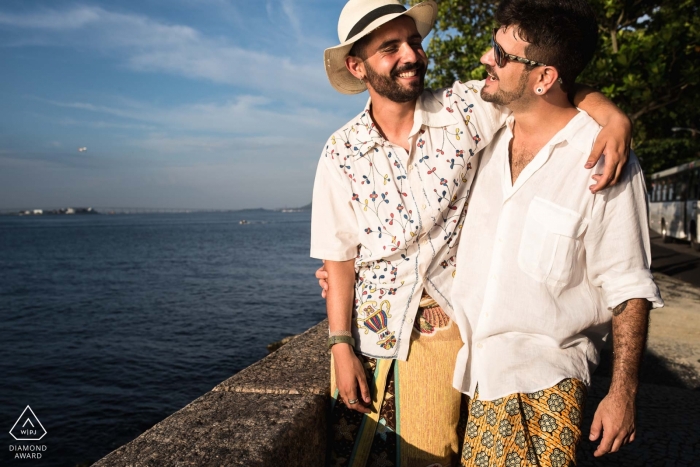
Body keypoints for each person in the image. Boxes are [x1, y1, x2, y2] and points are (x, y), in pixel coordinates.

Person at [312, 1, 631, 465]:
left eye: (415, 42)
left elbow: (549, 82)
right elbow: (337, 258)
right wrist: (339, 345)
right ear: (357, 66)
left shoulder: (465, 109)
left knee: (433, 453)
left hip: (447, 330)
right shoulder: (340, 152)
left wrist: (613, 116)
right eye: (390, 48)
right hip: (368, 335)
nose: (411, 56)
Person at [449, 1, 664, 466]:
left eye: (501, 55)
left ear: (543, 78)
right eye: (493, 46)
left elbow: (628, 286)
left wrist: (623, 392)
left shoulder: (603, 161)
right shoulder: (487, 130)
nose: (487, 59)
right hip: (469, 373)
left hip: (542, 384)